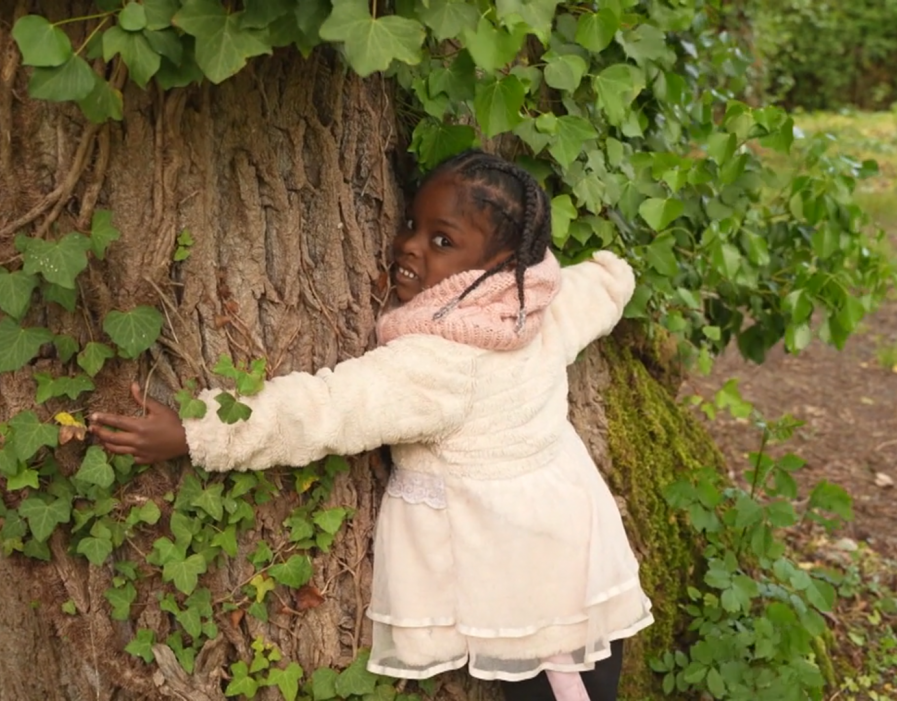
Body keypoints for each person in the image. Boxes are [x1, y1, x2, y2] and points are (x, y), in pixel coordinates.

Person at [89, 149, 653, 701]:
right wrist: (616, 275)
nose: (409, 245)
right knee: (585, 661)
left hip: (501, 554)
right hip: (571, 529)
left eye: (442, 240)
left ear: (500, 268)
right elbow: (591, 294)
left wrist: (198, 430)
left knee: (545, 673)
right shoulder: (534, 306)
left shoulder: (435, 363)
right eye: (412, 223)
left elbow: (326, 409)